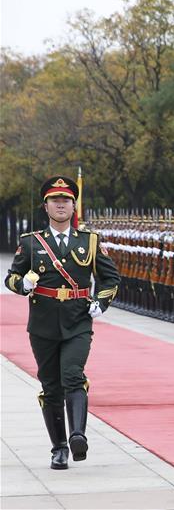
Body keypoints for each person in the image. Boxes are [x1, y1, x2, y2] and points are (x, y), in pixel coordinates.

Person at [5, 176, 120, 470]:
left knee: (73, 375)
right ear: (46, 206)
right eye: (55, 200)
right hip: (43, 324)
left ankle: (78, 435)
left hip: (78, 320)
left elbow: (110, 278)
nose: (60, 205)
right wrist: (24, 284)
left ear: (73, 206)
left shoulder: (90, 242)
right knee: (51, 386)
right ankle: (59, 448)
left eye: (66, 200)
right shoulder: (30, 243)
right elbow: (11, 278)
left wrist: (101, 302)